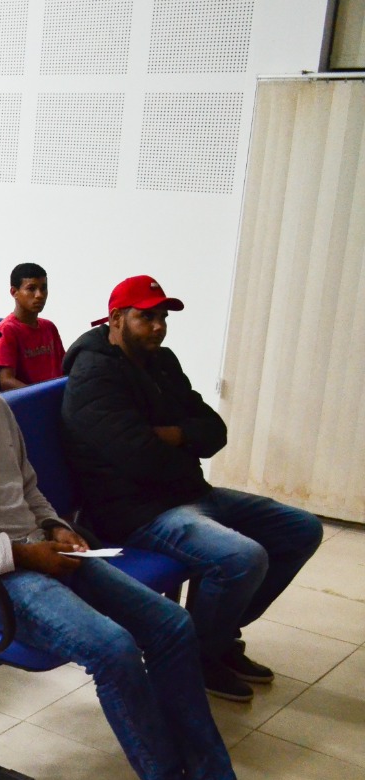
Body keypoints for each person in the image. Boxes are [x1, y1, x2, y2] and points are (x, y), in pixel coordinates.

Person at [0, 300, 311, 780]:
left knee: (172, 625)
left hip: (36, 551)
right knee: (112, 648)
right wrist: (24, 553)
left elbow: (28, 487)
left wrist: (55, 527)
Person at [61, 276, 324, 703]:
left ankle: (217, 637)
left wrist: (175, 434)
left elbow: (214, 430)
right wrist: (184, 443)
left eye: (162, 317)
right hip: (137, 512)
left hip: (187, 495)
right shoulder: (94, 375)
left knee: (301, 528)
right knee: (243, 557)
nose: (158, 326)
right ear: (116, 318)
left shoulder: (161, 362)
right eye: (146, 317)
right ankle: (198, 657)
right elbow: (139, 457)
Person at [0, 262, 64, 390]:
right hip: (32, 400)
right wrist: (41, 395)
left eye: (43, 288)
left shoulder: (49, 327)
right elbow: (6, 381)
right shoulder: (6, 330)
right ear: (14, 292)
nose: (39, 295)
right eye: (31, 289)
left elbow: (65, 368)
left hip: (58, 397)